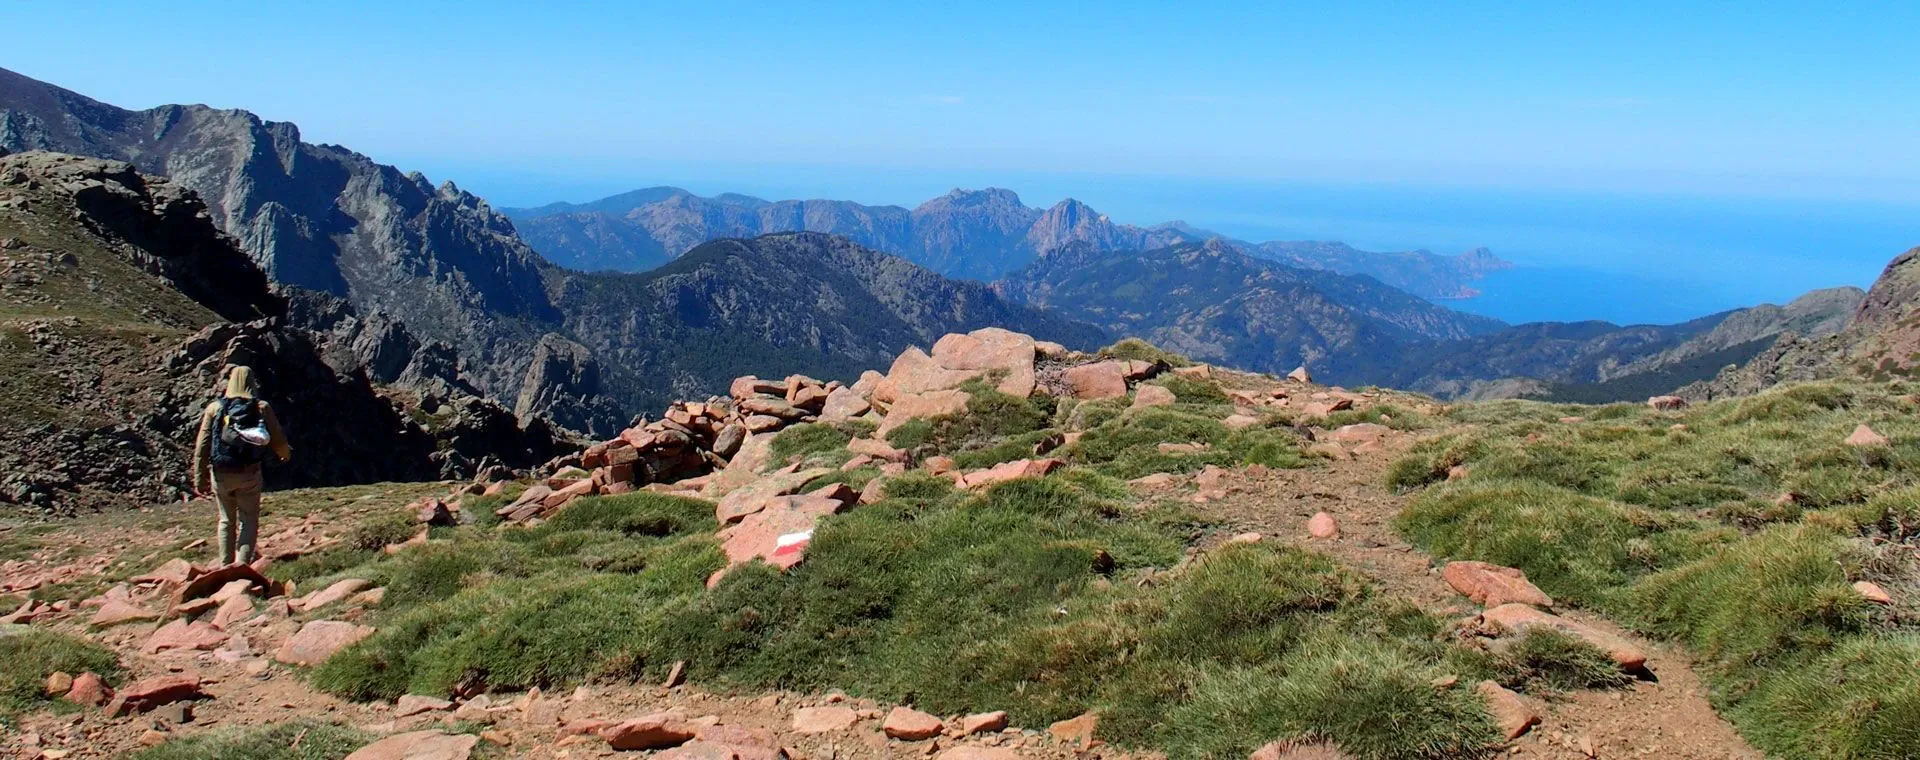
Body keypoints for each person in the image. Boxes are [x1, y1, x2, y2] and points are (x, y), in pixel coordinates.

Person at [191, 365, 291, 566]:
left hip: (221, 473)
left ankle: (225, 565)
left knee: (226, 520)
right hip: (249, 473)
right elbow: (277, 438)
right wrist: (285, 455)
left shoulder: (215, 408)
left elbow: (202, 444)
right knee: (248, 519)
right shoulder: (261, 407)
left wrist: (199, 477)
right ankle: (242, 566)